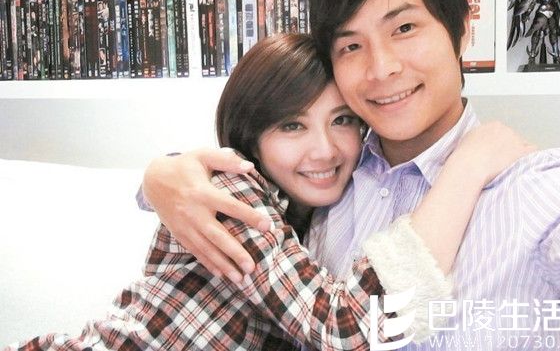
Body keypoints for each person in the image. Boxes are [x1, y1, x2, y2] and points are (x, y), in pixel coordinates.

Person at [141, 0, 560, 349]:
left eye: (404, 28)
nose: (382, 69)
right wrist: (160, 176)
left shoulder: (540, 191)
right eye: (351, 46)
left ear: (463, 30)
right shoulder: (327, 183)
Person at [5, 34, 531, 351]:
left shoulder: (318, 220)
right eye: (292, 126)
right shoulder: (234, 193)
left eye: (342, 120)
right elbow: (346, 329)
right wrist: (471, 162)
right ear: (252, 136)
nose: (324, 150)